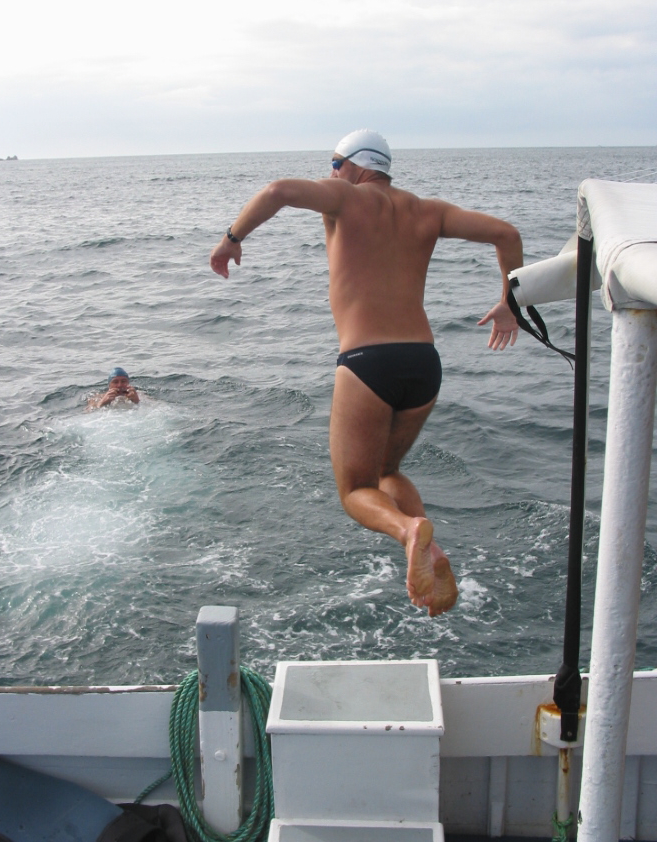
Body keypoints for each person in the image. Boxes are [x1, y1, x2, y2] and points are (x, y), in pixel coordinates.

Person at [209, 130, 523, 617]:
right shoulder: (429, 211)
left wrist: (231, 241)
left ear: (355, 165)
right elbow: (507, 234)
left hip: (367, 362)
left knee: (356, 490)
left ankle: (409, 531)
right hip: (423, 362)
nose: (331, 172)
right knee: (387, 472)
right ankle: (430, 549)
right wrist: (510, 304)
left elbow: (278, 191)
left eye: (334, 163)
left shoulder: (344, 197)